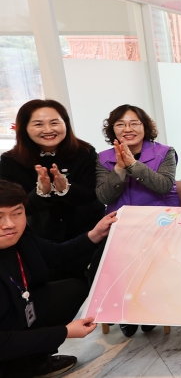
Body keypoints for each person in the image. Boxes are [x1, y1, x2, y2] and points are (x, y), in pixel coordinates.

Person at [0, 180, 117, 378]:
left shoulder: (22, 238)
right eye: (0, 216)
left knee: (72, 289)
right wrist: (64, 332)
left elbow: (56, 254)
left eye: (17, 213)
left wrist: (94, 234)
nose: (9, 224)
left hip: (17, 309)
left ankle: (34, 363)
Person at [95, 104, 181, 338]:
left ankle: (149, 309)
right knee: (115, 261)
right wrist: (119, 169)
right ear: (112, 130)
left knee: (152, 263)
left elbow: (164, 185)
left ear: (145, 127)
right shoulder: (103, 158)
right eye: (120, 124)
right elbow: (104, 197)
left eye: (134, 123)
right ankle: (126, 311)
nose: (128, 129)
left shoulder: (165, 152)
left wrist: (133, 165)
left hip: (158, 222)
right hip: (120, 225)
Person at [0, 100, 104, 281]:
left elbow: (92, 196)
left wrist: (66, 189)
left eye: (54, 122)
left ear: (66, 124)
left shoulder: (85, 152)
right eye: (38, 124)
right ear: (24, 128)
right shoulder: (10, 161)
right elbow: (15, 208)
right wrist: (41, 193)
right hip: (44, 239)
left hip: (87, 232)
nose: (48, 129)